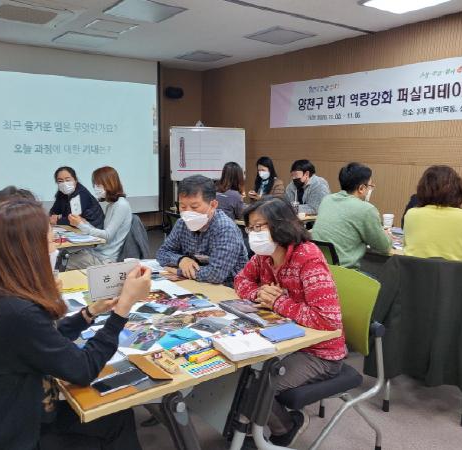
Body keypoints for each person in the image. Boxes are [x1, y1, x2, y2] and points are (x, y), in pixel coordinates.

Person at [0, 197, 151, 450]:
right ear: (28, 252)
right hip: (0, 437)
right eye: (51, 241)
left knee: (115, 417)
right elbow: (83, 369)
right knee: (113, 416)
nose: (55, 249)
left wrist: (89, 312)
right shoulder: (16, 311)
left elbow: (41, 339)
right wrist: (123, 308)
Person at [234, 197, 346, 447]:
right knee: (237, 376)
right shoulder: (264, 256)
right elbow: (241, 280)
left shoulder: (308, 258)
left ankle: (286, 426)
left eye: (259, 227)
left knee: (257, 387)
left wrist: (278, 303)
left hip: (319, 353)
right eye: (250, 228)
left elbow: (328, 321)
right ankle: (244, 426)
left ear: (280, 225)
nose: (253, 234)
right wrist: (259, 293)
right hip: (284, 341)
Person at [157, 175, 248, 286]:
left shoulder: (225, 229)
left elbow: (216, 275)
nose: (188, 213)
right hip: (195, 283)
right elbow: (162, 253)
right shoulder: (182, 223)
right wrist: (181, 260)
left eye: (194, 207)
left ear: (213, 205)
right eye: (183, 207)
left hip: (228, 288)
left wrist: (179, 272)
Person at [404, 165, 462, 270]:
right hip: (452, 280)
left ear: (422, 189)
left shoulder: (411, 215)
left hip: (413, 278)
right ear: (458, 190)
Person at [312, 163, 392, 268]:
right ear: (361, 188)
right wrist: (387, 235)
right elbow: (384, 247)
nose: (370, 189)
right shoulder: (366, 209)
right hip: (345, 272)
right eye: (370, 186)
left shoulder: (327, 200)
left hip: (319, 268)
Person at [68, 166, 132, 268]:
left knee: (63, 262)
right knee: (65, 255)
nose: (95, 188)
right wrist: (84, 223)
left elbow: (107, 236)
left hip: (105, 259)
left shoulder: (121, 205)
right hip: (98, 253)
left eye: (98, 185)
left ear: (109, 183)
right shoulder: (111, 205)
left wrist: (80, 225)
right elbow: (103, 233)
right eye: (94, 184)